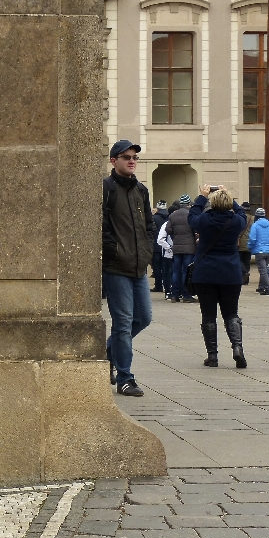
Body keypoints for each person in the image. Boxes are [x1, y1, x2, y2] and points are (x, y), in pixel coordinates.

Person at [102, 139, 155, 397]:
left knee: (143, 318)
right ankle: (125, 377)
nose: (132, 161)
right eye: (126, 157)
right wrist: (114, 250)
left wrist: (146, 251)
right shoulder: (106, 189)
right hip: (116, 267)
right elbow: (101, 227)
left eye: (134, 157)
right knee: (122, 322)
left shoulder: (141, 190)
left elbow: (149, 226)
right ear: (114, 161)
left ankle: (106, 352)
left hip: (138, 267)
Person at [187, 186, 248, 368]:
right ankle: (237, 348)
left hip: (205, 273)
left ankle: (212, 355)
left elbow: (191, 217)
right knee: (231, 313)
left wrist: (201, 197)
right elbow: (242, 214)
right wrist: (230, 197)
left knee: (208, 314)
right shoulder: (237, 221)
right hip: (230, 273)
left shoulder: (205, 220)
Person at [166, 194, 197, 303]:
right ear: (189, 204)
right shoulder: (191, 215)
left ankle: (174, 294)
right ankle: (186, 294)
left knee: (176, 271)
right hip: (189, 247)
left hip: (177, 247)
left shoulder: (173, 215)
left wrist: (176, 235)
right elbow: (196, 229)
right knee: (186, 271)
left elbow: (168, 229)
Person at [247, 207, 269, 295]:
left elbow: (252, 238)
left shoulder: (255, 225)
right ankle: (261, 287)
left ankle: (268, 289)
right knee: (264, 268)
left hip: (259, 251)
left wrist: (250, 247)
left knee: (263, 271)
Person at [155, 208, 174, 299]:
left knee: (168, 273)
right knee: (175, 272)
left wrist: (169, 248)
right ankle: (174, 290)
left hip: (169, 253)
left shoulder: (166, 224)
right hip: (174, 252)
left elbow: (160, 240)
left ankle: (168, 291)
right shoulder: (167, 224)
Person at [151, 200, 168, 292]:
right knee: (166, 267)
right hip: (167, 246)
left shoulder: (154, 218)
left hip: (156, 246)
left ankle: (158, 285)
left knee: (156, 267)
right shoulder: (169, 217)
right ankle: (167, 285)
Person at [237, 202, 254, 285]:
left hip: (240, 241)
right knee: (247, 261)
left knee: (239, 260)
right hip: (249, 241)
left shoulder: (239, 218)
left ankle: (243, 274)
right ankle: (246, 277)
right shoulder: (253, 218)